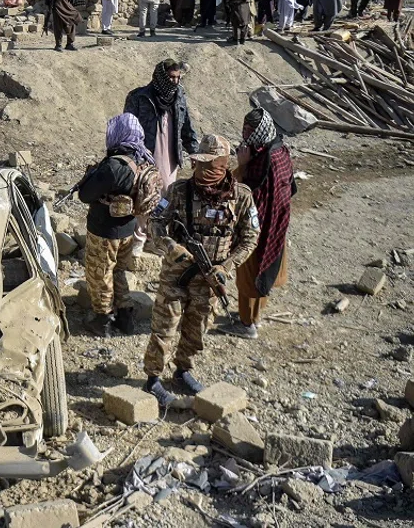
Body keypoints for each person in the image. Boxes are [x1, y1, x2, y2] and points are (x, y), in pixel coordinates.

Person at [143, 135, 260, 405]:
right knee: (164, 327)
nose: (202, 170)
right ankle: (152, 379)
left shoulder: (241, 196)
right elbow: (155, 222)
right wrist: (171, 247)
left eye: (210, 165)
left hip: (209, 279)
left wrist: (226, 267)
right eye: (200, 163)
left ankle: (182, 371)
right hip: (176, 275)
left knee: (197, 330)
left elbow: (250, 237)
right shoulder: (178, 191)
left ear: (224, 165)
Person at [79, 113, 158, 335]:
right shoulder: (144, 158)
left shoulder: (115, 166)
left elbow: (85, 195)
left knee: (100, 274)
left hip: (104, 230)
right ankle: (125, 317)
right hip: (128, 228)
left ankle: (102, 319)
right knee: (120, 271)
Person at [218, 109, 293, 339]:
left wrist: (242, 165)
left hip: (258, 226)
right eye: (244, 129)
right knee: (264, 270)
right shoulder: (279, 149)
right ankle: (255, 316)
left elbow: (244, 192)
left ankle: (246, 324)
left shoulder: (263, 160)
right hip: (277, 222)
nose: (245, 135)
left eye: (250, 131)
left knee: (250, 274)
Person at [124, 59, 200, 256]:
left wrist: (194, 151)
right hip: (145, 155)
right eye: (171, 78)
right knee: (144, 195)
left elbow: (186, 126)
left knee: (165, 198)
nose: (175, 82)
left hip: (170, 156)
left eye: (178, 78)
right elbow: (128, 129)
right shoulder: (139, 97)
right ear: (161, 77)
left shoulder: (179, 96)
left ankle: (154, 238)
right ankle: (139, 238)